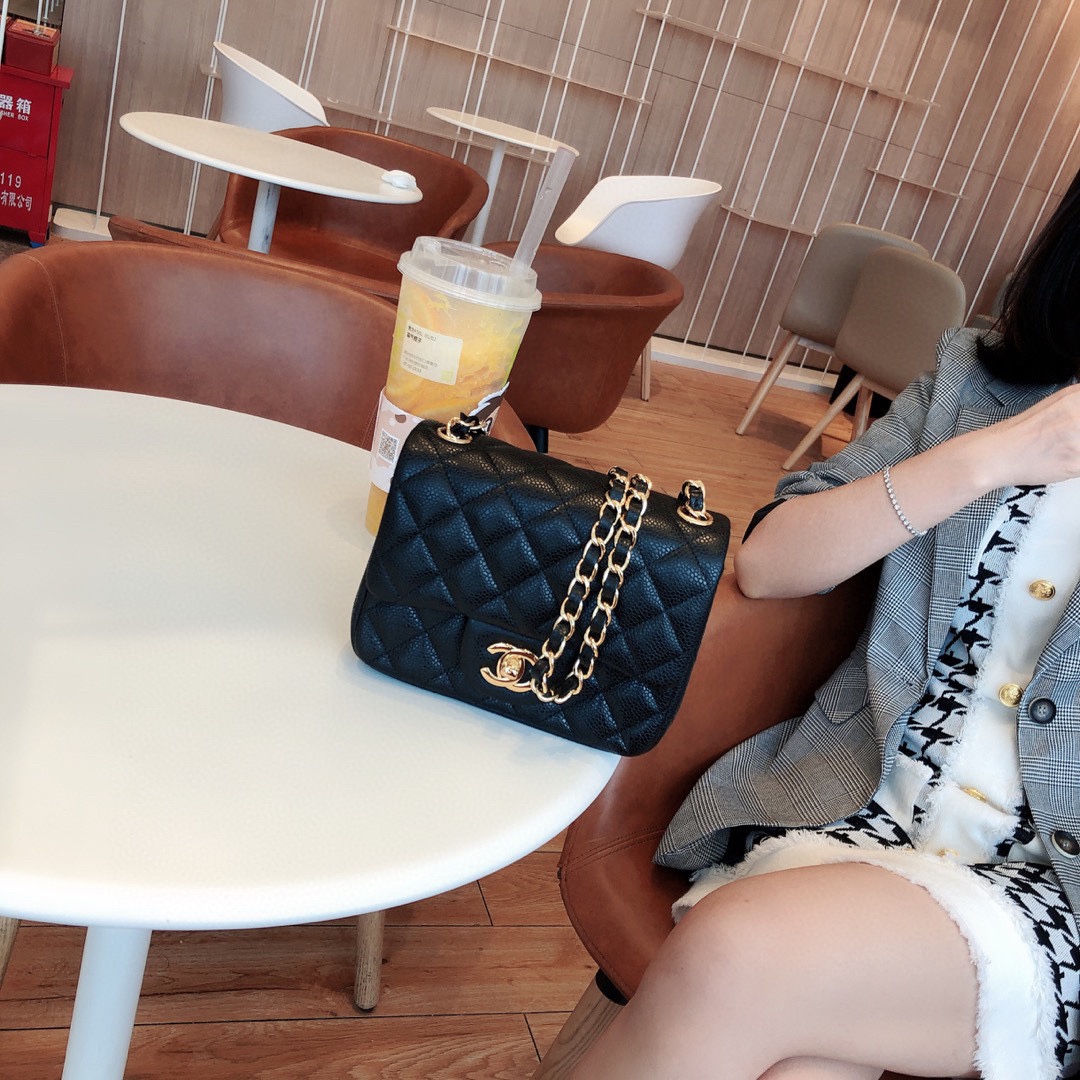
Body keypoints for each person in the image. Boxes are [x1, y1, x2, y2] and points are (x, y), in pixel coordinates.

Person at [570, 168, 1080, 1080]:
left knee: (738, 958)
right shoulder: (975, 382)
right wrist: (996, 456)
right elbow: (771, 563)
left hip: (1050, 889)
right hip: (863, 810)